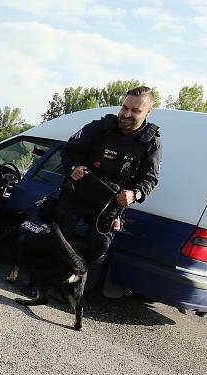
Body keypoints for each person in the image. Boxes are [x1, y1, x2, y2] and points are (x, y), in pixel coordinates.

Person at [54, 86, 163, 264]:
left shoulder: (151, 143)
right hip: (77, 196)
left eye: (135, 110)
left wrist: (134, 194)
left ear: (149, 112)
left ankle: (74, 290)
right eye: (125, 108)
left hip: (109, 207)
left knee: (96, 255)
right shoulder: (98, 127)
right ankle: (40, 284)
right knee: (56, 241)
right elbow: (69, 150)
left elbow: (149, 179)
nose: (127, 114)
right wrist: (74, 167)